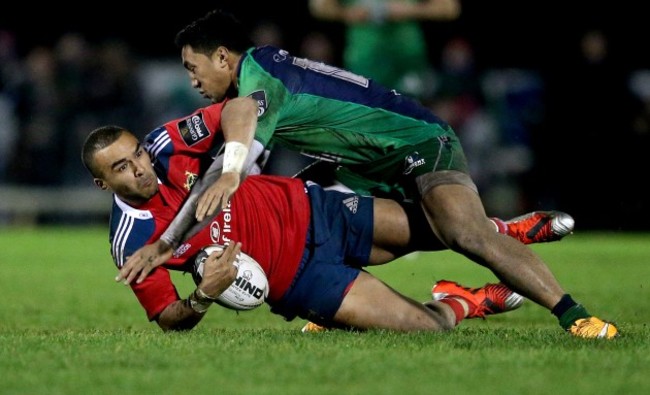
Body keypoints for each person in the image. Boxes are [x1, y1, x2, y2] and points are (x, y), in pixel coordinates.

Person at [137, 8, 618, 339]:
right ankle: (497, 241)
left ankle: (574, 316)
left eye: (193, 67)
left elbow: (238, 155)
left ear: (223, 56)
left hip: (414, 140)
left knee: (465, 235)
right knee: (310, 210)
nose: (192, 80)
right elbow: (238, 161)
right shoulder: (255, 78)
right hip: (361, 162)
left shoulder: (257, 80)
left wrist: (221, 185)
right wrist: (169, 239)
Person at [81, 116, 526, 333]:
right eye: (122, 167)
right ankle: (462, 301)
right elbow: (166, 319)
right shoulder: (132, 240)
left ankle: (506, 232)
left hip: (314, 210)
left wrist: (235, 161)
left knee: (453, 231)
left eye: (136, 152)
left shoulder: (168, 144)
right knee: (431, 331)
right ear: (103, 184)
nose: (140, 167)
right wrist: (202, 296)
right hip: (301, 282)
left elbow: (239, 106)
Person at [308, 0, 461, 100]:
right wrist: (347, 13)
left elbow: (450, 7)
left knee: (413, 125)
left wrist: (410, 10)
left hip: (408, 61)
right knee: (371, 128)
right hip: (365, 62)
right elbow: (319, 6)